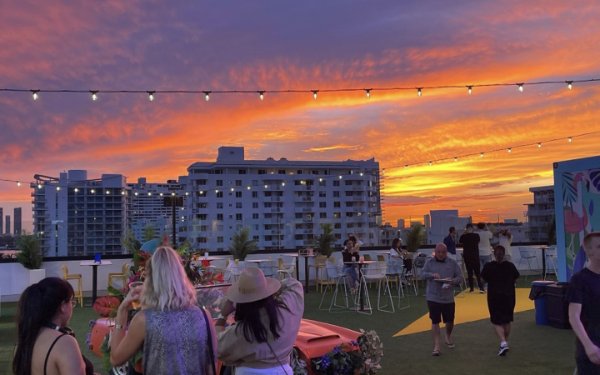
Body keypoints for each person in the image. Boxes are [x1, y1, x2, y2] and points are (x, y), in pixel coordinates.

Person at [110, 246, 217, 375]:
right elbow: (211, 365)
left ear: (151, 279)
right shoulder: (204, 316)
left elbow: (116, 359)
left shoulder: (144, 320)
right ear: (181, 276)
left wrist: (122, 312)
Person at [216, 267, 304, 375]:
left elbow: (217, 347)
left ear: (241, 303)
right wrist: (267, 289)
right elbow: (294, 284)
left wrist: (222, 316)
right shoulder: (288, 309)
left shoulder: (242, 332)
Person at [13, 277, 94, 375]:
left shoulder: (23, 341)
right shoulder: (65, 342)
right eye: (71, 302)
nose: (72, 306)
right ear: (63, 306)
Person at [421, 243, 463, 356]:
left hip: (448, 298)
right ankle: (437, 346)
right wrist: (432, 275)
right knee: (435, 321)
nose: (440, 254)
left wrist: (452, 281)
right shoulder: (429, 262)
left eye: (443, 252)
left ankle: (448, 336)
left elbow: (460, 277)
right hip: (433, 296)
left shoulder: (452, 263)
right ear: (435, 251)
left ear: (446, 252)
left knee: (450, 321)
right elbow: (422, 274)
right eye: (438, 252)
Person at [567, 232, 600, 373]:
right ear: (589, 251)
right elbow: (574, 316)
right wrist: (588, 345)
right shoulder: (579, 280)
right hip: (593, 348)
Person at [481, 245, 520, 356]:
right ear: (504, 254)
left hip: (494, 297)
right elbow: (516, 277)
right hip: (509, 296)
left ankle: (503, 342)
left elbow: (482, 279)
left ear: (494, 254)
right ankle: (504, 343)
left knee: (496, 320)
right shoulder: (510, 266)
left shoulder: (489, 266)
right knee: (507, 320)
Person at [459, 223, 485, 293]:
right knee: (477, 273)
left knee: (469, 273)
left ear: (467, 229)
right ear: (472, 228)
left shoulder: (464, 236)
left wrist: (465, 233)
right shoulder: (476, 236)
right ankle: (481, 287)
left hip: (467, 256)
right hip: (475, 256)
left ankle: (471, 289)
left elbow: (460, 240)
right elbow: (478, 241)